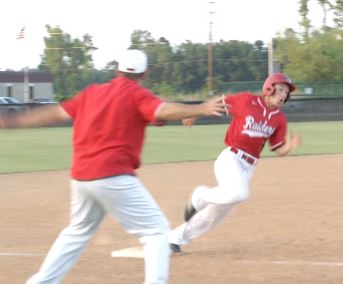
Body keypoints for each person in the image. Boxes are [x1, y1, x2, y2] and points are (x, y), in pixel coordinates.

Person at [0, 49, 226, 284]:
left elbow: (55, 113)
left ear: (116, 70)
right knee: (156, 232)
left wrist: (15, 120)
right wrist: (200, 108)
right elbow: (162, 110)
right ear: (144, 73)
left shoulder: (92, 93)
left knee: (77, 231)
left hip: (81, 177)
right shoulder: (137, 94)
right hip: (113, 176)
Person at [168, 73, 302, 253]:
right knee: (239, 193)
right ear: (269, 88)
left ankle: (175, 238)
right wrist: (196, 112)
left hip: (249, 167)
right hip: (231, 158)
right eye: (280, 90)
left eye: (286, 92)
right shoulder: (247, 100)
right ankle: (200, 195)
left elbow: (278, 149)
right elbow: (219, 102)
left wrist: (289, 147)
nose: (283, 95)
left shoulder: (279, 119)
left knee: (217, 213)